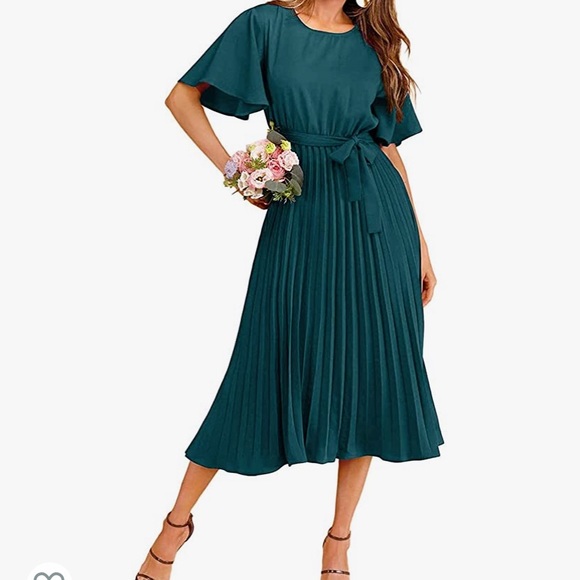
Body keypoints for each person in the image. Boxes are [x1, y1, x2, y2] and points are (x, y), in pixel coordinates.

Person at [135, 1, 444, 578]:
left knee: (368, 375)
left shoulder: (374, 37)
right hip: (301, 213)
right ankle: (175, 525)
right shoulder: (265, 25)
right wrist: (235, 170)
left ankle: (338, 542)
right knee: (260, 363)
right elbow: (181, 97)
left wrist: (422, 242)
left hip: (378, 222)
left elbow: (387, 144)